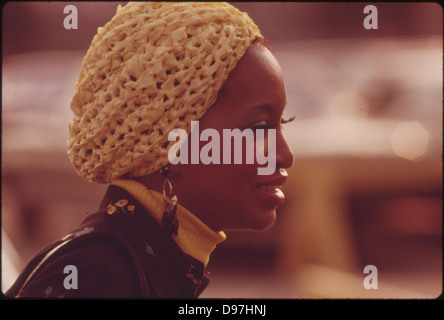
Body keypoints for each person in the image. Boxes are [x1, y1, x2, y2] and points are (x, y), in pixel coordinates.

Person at [5, 1, 294, 298]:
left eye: (283, 123)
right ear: (174, 142)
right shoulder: (95, 275)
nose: (284, 155)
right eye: (259, 128)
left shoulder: (150, 263)